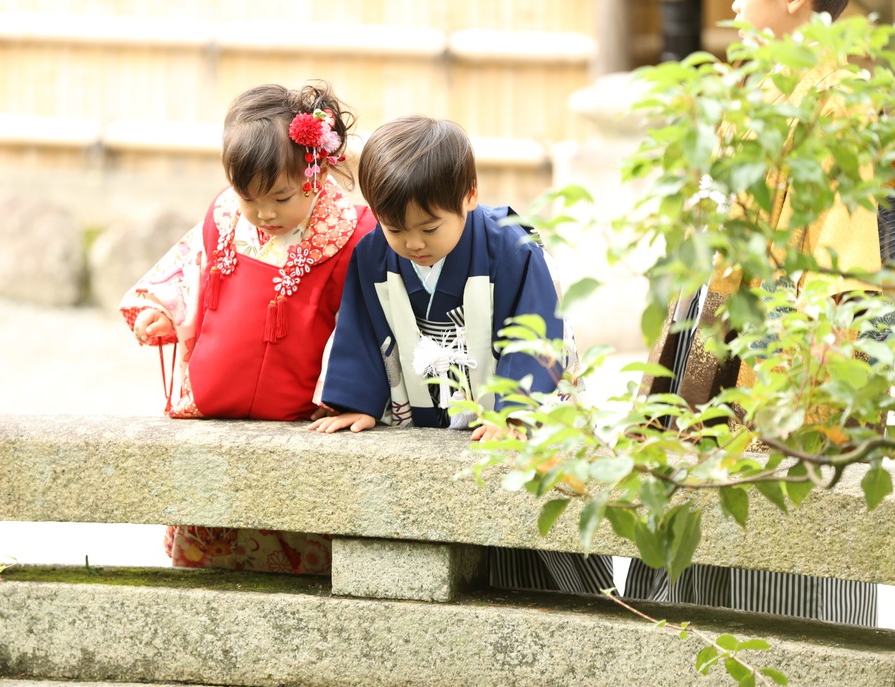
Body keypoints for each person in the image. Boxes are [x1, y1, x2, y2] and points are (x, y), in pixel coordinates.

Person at [624, 0, 880, 626]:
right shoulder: (760, 85)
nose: (732, 3)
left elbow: (844, 268)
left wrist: (793, 388)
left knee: (772, 568)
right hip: (714, 326)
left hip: (779, 345)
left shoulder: (841, 100)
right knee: (685, 530)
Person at [308, 115, 611, 595]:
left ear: (469, 195)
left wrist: (516, 411)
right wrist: (357, 401)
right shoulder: (372, 255)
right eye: (394, 228)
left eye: (429, 227)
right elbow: (361, 329)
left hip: (510, 417)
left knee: (541, 559)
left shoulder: (511, 245)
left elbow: (535, 330)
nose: (413, 244)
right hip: (429, 415)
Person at [119, 81, 376, 574]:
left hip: (303, 421)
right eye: (249, 197)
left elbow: (366, 324)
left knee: (299, 559)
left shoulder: (350, 231)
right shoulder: (224, 216)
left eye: (280, 196)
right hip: (215, 414)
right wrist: (168, 312)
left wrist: (358, 396)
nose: (264, 213)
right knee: (210, 562)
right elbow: (193, 274)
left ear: (314, 169)